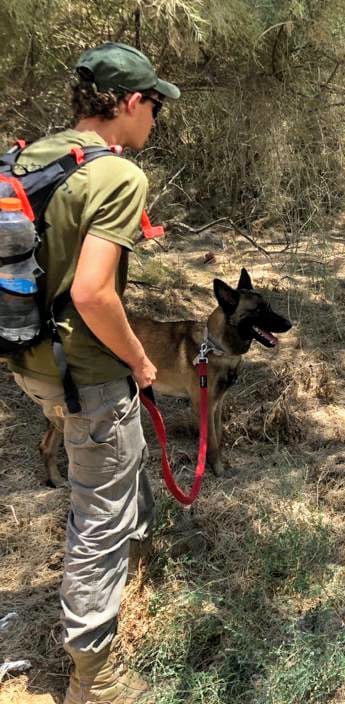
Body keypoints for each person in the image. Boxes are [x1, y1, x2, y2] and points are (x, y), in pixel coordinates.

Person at [6, 42, 179, 702]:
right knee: (99, 521)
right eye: (155, 106)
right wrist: (139, 359)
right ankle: (96, 677)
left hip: (31, 362)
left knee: (107, 478)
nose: (156, 120)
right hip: (88, 374)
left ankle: (123, 595)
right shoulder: (117, 176)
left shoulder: (32, 157)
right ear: (130, 103)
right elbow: (93, 294)